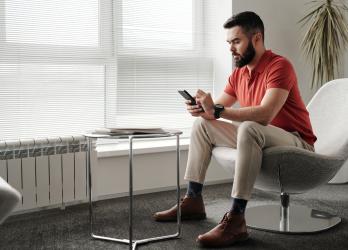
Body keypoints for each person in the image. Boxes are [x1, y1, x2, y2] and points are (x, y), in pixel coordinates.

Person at [153, 11, 316, 248]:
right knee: (202, 125)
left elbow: (265, 114)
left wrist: (217, 111)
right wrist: (202, 109)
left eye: (236, 41)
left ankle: (236, 219)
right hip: (260, 137)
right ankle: (193, 200)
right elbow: (216, 111)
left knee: (249, 126)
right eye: (229, 43)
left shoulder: (280, 66)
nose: (231, 48)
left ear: (257, 38)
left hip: (296, 141)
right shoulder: (239, 74)